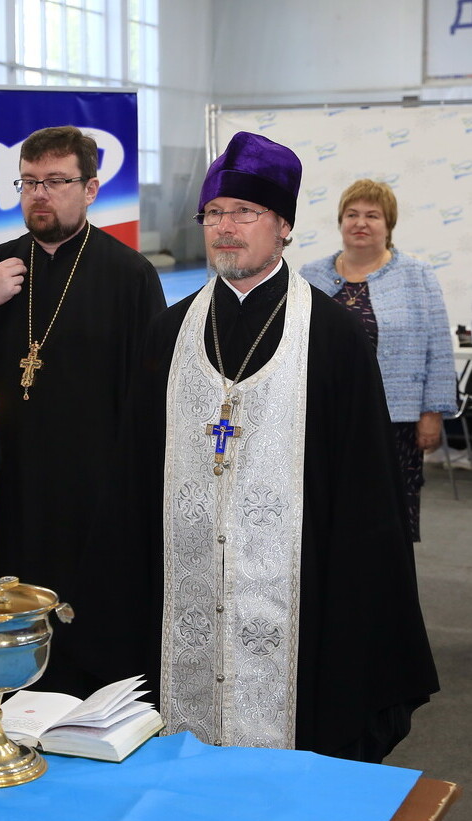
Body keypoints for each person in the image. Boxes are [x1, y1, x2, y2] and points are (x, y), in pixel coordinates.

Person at [79, 132, 438, 762]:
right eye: (214, 213)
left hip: (300, 595)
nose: (225, 228)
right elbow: (132, 478)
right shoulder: (169, 332)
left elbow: (365, 494)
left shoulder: (333, 337)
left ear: (284, 227)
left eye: (245, 212)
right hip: (181, 588)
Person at [0, 125, 165, 695]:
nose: (39, 194)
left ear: (91, 189)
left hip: (93, 490)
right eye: (29, 182)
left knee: (91, 630)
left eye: (56, 181)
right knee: (9, 621)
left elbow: (153, 391)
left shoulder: (130, 276)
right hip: (12, 485)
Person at [300, 180, 456, 541]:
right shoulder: (311, 275)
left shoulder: (417, 275)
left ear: (389, 224)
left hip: (395, 420)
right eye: (352, 214)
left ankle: (388, 576)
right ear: (340, 221)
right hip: (324, 417)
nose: (360, 223)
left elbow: (438, 348)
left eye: (372, 215)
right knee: (327, 510)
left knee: (388, 515)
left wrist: (432, 413)